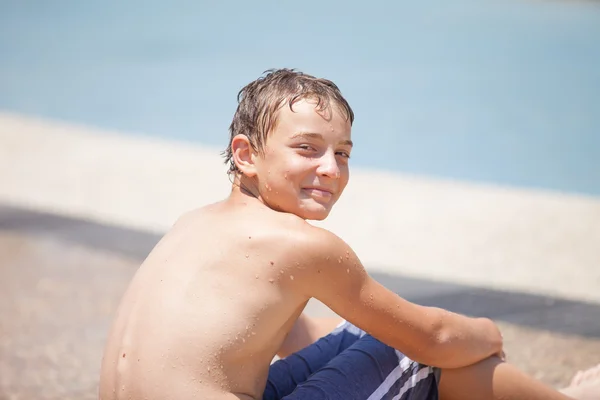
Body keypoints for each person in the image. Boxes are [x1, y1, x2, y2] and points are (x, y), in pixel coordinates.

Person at [99, 68, 599, 400]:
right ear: (247, 155)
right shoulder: (302, 245)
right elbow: (434, 340)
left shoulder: (197, 222)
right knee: (418, 352)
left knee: (372, 330)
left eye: (342, 153)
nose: (331, 169)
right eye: (307, 148)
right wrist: (485, 333)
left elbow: (281, 334)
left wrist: (359, 350)